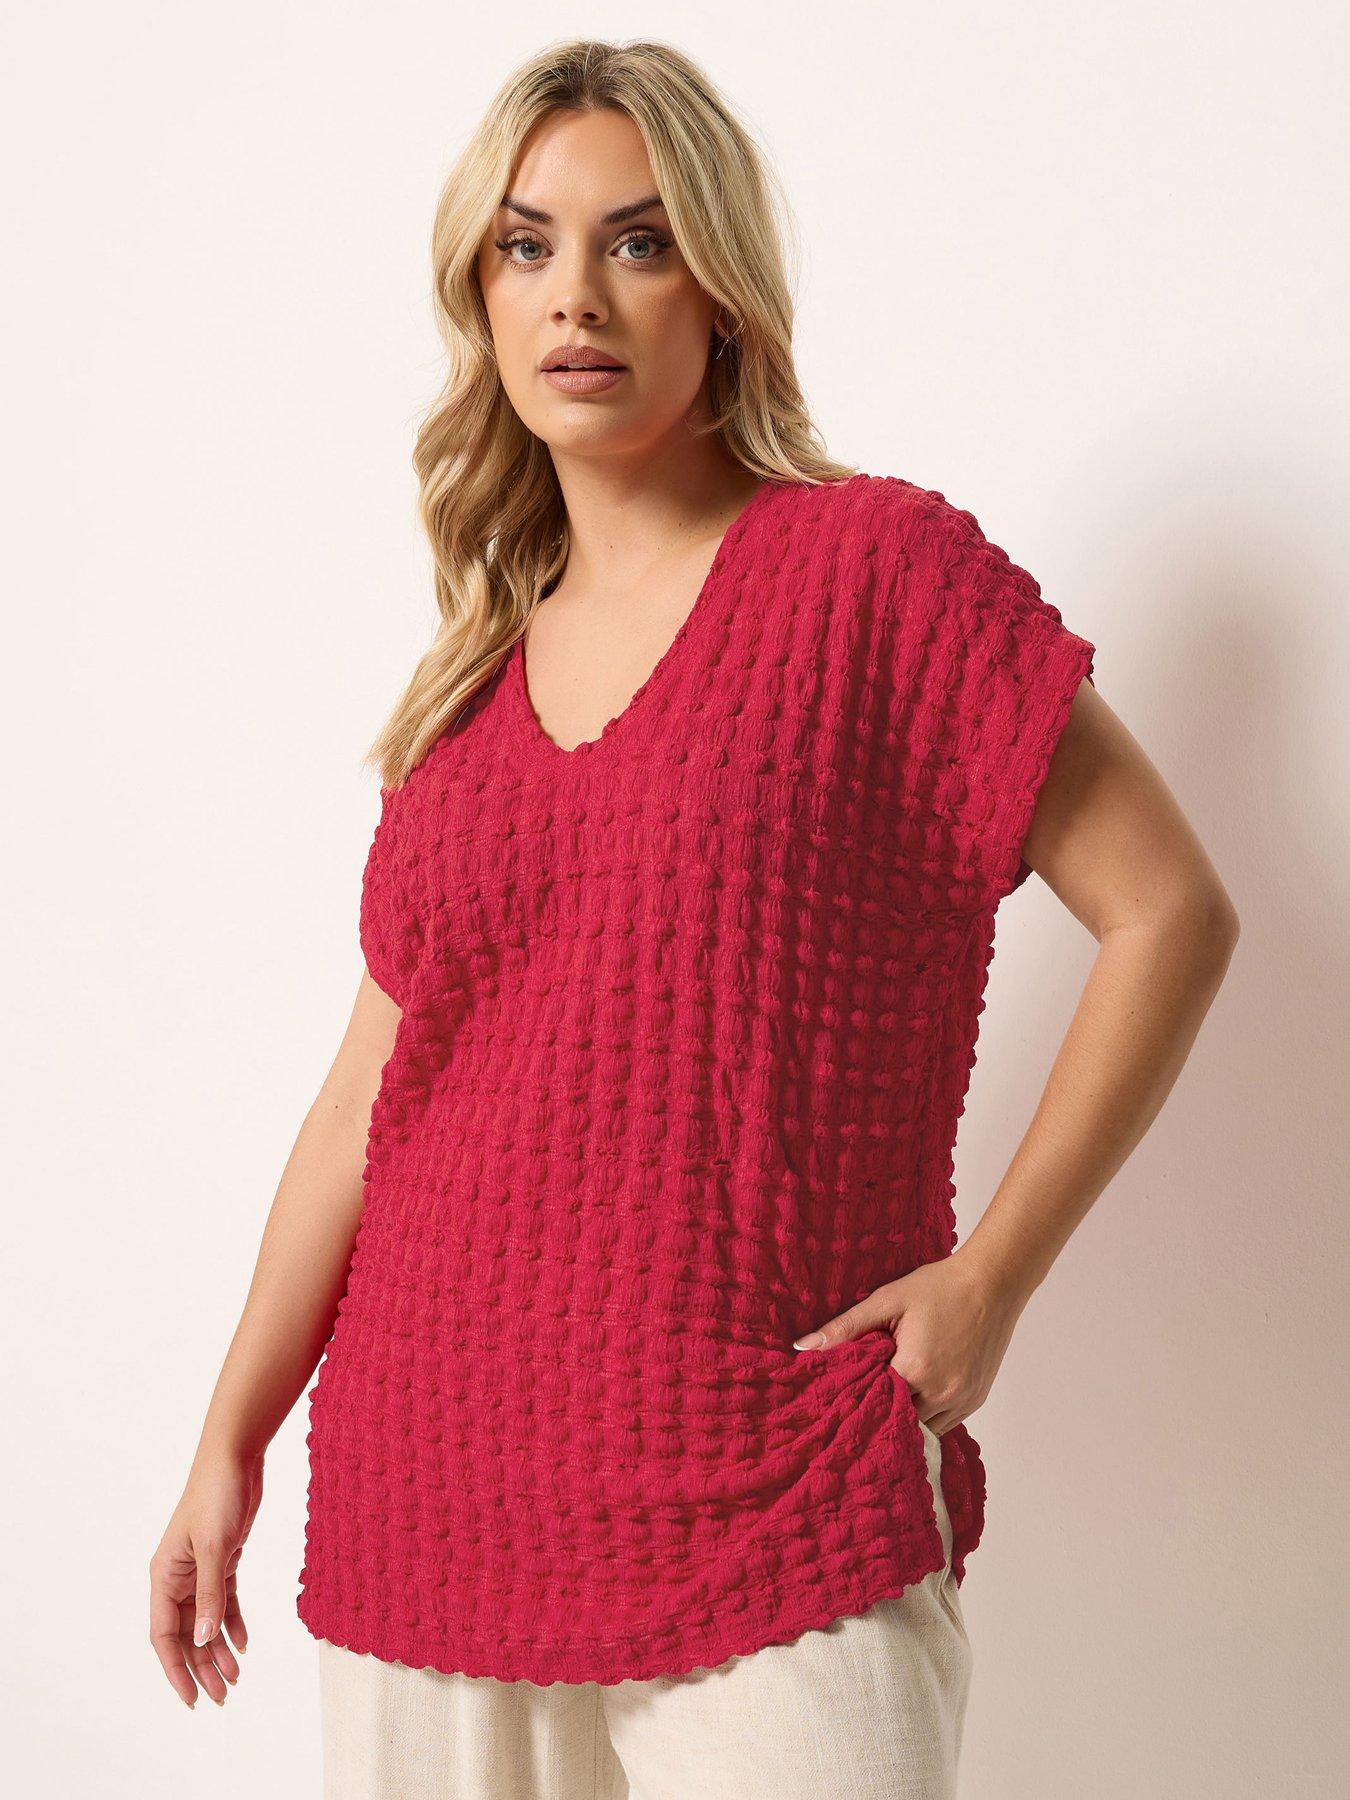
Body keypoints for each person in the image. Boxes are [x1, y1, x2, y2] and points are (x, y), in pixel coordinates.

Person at [148, 38, 1240, 1800]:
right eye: (526, 246)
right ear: (481, 300)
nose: (576, 294)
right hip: (433, 1489)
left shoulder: (870, 573)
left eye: (639, 242)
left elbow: (1169, 912)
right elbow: (364, 1104)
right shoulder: (465, 701)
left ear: (720, 293)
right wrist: (229, 1438)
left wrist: (991, 1283)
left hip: (772, 1483)